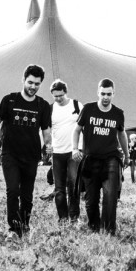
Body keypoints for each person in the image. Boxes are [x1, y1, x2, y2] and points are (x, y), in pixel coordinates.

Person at [0, 64, 52, 238]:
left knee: (27, 195)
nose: (33, 87)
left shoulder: (43, 105)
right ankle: (14, 228)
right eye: (30, 82)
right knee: (12, 191)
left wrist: (49, 146)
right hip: (10, 154)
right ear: (23, 80)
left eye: (37, 84)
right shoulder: (9, 100)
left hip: (31, 156)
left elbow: (46, 131)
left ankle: (24, 226)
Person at [72, 78, 129, 233]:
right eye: (103, 93)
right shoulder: (88, 109)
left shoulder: (118, 113)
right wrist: (75, 149)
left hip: (111, 158)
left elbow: (122, 134)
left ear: (113, 94)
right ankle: (94, 227)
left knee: (110, 196)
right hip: (90, 159)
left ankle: (109, 230)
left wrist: (127, 154)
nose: (105, 97)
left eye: (109, 94)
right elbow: (76, 130)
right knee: (91, 200)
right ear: (98, 92)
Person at [49, 80, 82, 223]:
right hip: (57, 152)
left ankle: (74, 217)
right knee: (59, 188)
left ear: (66, 92)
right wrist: (47, 145)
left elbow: (84, 127)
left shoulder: (77, 105)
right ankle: (63, 218)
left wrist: (81, 148)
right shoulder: (50, 109)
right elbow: (46, 130)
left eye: (60, 95)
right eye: (55, 96)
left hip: (74, 151)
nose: (58, 99)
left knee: (73, 184)